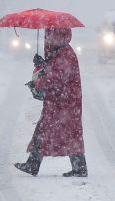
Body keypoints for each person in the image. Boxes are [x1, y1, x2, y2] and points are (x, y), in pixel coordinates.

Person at [14, 28, 87, 177]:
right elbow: (54, 71)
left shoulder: (65, 54)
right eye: (47, 35)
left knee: (54, 132)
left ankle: (34, 164)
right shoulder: (61, 52)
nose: (47, 39)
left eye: (50, 35)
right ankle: (78, 167)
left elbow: (56, 78)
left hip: (64, 102)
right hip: (62, 101)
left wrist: (37, 84)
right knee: (66, 133)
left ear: (57, 36)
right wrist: (43, 64)